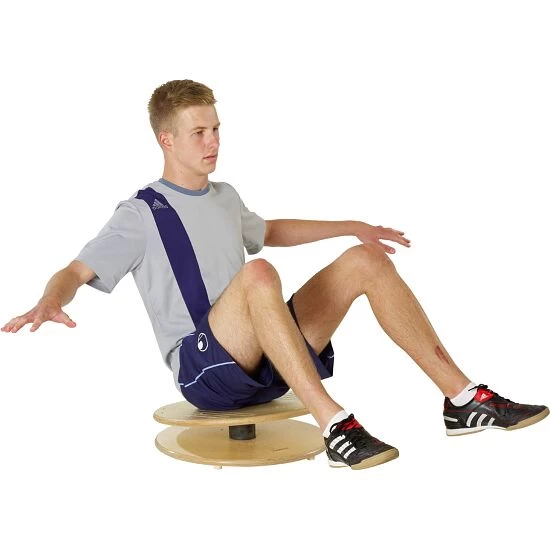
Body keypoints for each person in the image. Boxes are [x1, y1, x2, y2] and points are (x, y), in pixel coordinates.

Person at [3, 79, 548, 471]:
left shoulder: (224, 196)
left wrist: (351, 227)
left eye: (216, 129)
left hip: (267, 356)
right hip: (203, 370)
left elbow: (268, 230)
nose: (213, 142)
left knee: (366, 261)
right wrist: (51, 300)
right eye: (198, 132)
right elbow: (75, 270)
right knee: (259, 274)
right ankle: (335, 424)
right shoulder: (141, 213)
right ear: (166, 140)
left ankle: (462, 400)